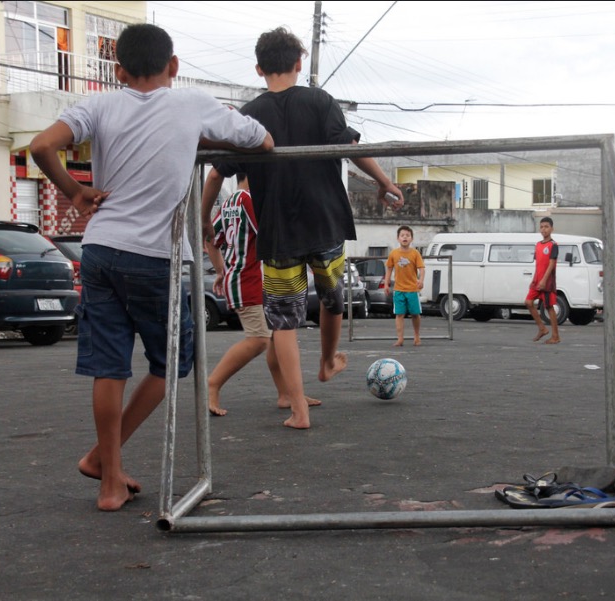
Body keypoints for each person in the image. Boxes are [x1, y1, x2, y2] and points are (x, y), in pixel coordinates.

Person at [29, 23, 273, 511]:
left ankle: (109, 478)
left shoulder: (99, 104)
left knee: (108, 367)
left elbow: (40, 146)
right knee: (172, 364)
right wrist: (198, 139)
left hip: (98, 250)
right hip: (155, 257)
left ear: (118, 71)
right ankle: (103, 457)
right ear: (174, 66)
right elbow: (261, 141)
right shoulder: (191, 104)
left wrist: (74, 190)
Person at [201, 26, 403, 430]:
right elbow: (351, 149)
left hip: (278, 234)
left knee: (283, 321)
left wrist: (205, 219)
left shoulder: (250, 115)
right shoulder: (320, 101)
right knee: (332, 297)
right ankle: (327, 362)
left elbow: (214, 174)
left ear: (259, 69)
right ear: (299, 63)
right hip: (325, 223)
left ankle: (298, 409)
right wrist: (384, 182)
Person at [203, 173, 320, 416]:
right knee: (259, 339)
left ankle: (286, 394)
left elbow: (210, 240)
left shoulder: (228, 203)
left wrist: (222, 271)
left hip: (242, 277)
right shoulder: (250, 201)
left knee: (277, 339)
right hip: (251, 279)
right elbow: (272, 235)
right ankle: (212, 383)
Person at [384, 225, 425, 347]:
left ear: (411, 238)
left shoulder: (415, 253)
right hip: (398, 289)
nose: (405, 238)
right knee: (399, 314)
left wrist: (421, 280)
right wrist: (386, 284)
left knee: (415, 314)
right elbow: (389, 269)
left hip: (412, 289)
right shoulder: (393, 253)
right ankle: (400, 339)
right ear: (398, 238)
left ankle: (417, 336)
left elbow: (422, 269)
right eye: (402, 235)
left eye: (407, 235)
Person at [525, 216, 561, 344]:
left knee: (549, 307)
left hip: (547, 282)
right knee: (528, 302)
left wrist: (544, 280)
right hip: (537, 281)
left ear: (552, 229)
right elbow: (538, 264)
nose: (543, 229)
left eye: (546, 227)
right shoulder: (538, 245)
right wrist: (535, 279)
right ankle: (542, 328)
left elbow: (551, 265)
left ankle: (556, 335)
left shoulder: (553, 245)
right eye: (541, 227)